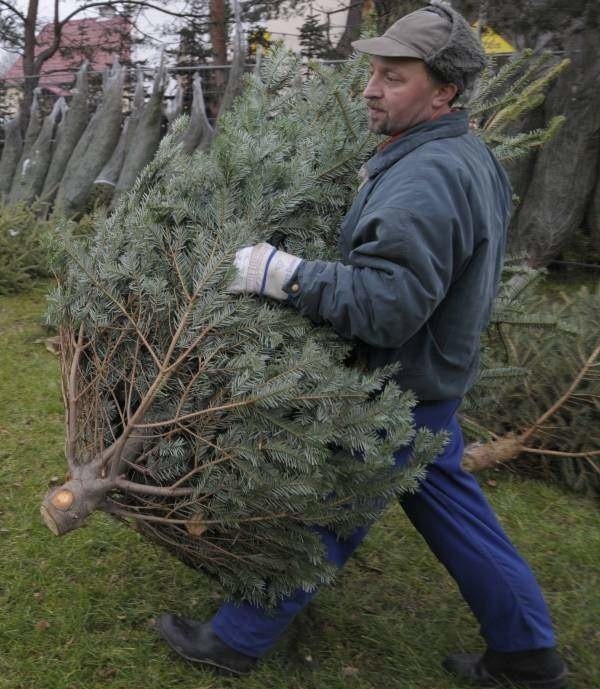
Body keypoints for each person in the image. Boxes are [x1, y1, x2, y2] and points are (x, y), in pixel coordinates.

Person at [156, 3, 568, 687]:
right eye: (373, 72)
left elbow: (388, 307)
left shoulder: (428, 175)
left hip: (396, 384)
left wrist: (280, 274)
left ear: (445, 91)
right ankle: (528, 653)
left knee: (331, 506)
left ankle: (235, 637)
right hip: (430, 380)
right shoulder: (459, 152)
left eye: (395, 77)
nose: (371, 89)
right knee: (449, 504)